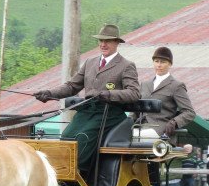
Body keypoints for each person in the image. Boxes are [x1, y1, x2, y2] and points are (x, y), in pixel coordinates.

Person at [33, 24, 140, 176]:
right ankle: (63, 175)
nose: (103, 44)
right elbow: (71, 86)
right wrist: (50, 93)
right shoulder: (90, 62)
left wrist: (108, 94)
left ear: (117, 43)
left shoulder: (126, 66)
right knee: (66, 138)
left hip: (109, 113)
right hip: (88, 111)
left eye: (108, 41)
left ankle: (80, 175)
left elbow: (134, 93)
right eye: (101, 40)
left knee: (83, 138)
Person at [134, 46, 196, 146]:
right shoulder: (145, 85)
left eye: (163, 62)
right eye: (156, 61)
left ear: (170, 64)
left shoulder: (176, 86)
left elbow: (189, 112)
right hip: (139, 127)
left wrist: (174, 122)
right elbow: (137, 109)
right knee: (119, 138)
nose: (159, 65)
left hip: (160, 130)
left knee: (137, 139)